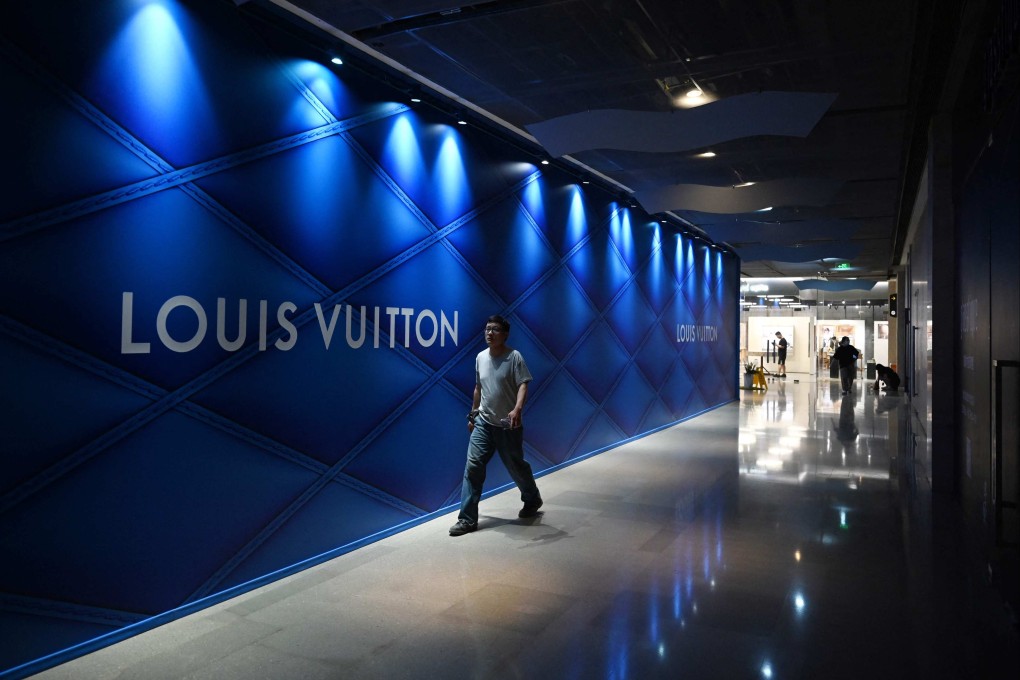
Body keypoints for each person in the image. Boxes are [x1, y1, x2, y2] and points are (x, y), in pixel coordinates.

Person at [450, 315, 543, 536]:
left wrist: (517, 409)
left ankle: (532, 499)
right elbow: (478, 387)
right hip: (484, 422)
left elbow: (523, 384)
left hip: (507, 424)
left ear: (505, 334)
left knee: (516, 466)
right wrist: (473, 414)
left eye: (494, 330)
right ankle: (467, 519)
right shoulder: (480, 357)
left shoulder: (514, 357)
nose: (489, 333)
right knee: (473, 467)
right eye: (487, 329)